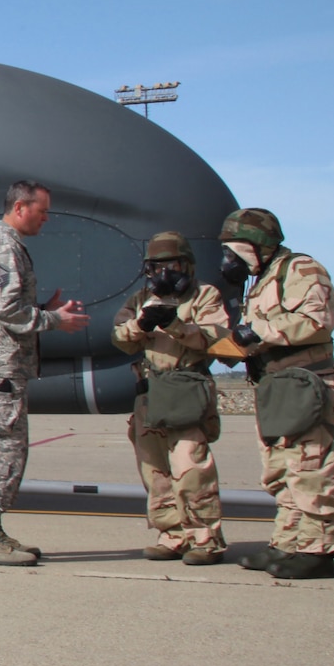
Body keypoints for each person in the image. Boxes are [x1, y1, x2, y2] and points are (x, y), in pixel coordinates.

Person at [0, 180, 90, 565]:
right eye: (42, 210)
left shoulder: (9, 245)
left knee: (10, 449)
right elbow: (3, 309)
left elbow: (7, 305)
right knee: (3, 449)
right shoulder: (3, 247)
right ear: (20, 208)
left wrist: (42, 308)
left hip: (3, 366)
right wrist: (53, 319)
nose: (46, 218)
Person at [218, 208, 334, 579]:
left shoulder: (301, 270)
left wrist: (257, 331)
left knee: (310, 467)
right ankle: (289, 542)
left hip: (305, 383)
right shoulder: (262, 280)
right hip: (276, 385)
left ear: (258, 246)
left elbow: (316, 319)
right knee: (280, 470)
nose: (229, 261)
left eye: (235, 251)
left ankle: (318, 548)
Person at [111, 233, 231, 563]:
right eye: (157, 267)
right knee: (155, 471)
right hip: (151, 392)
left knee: (190, 466)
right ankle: (172, 533)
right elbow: (120, 337)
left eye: (172, 266)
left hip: (187, 388)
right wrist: (141, 324)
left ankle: (205, 537)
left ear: (187, 266)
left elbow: (215, 338)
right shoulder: (140, 299)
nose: (165, 274)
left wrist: (176, 325)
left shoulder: (205, 295)